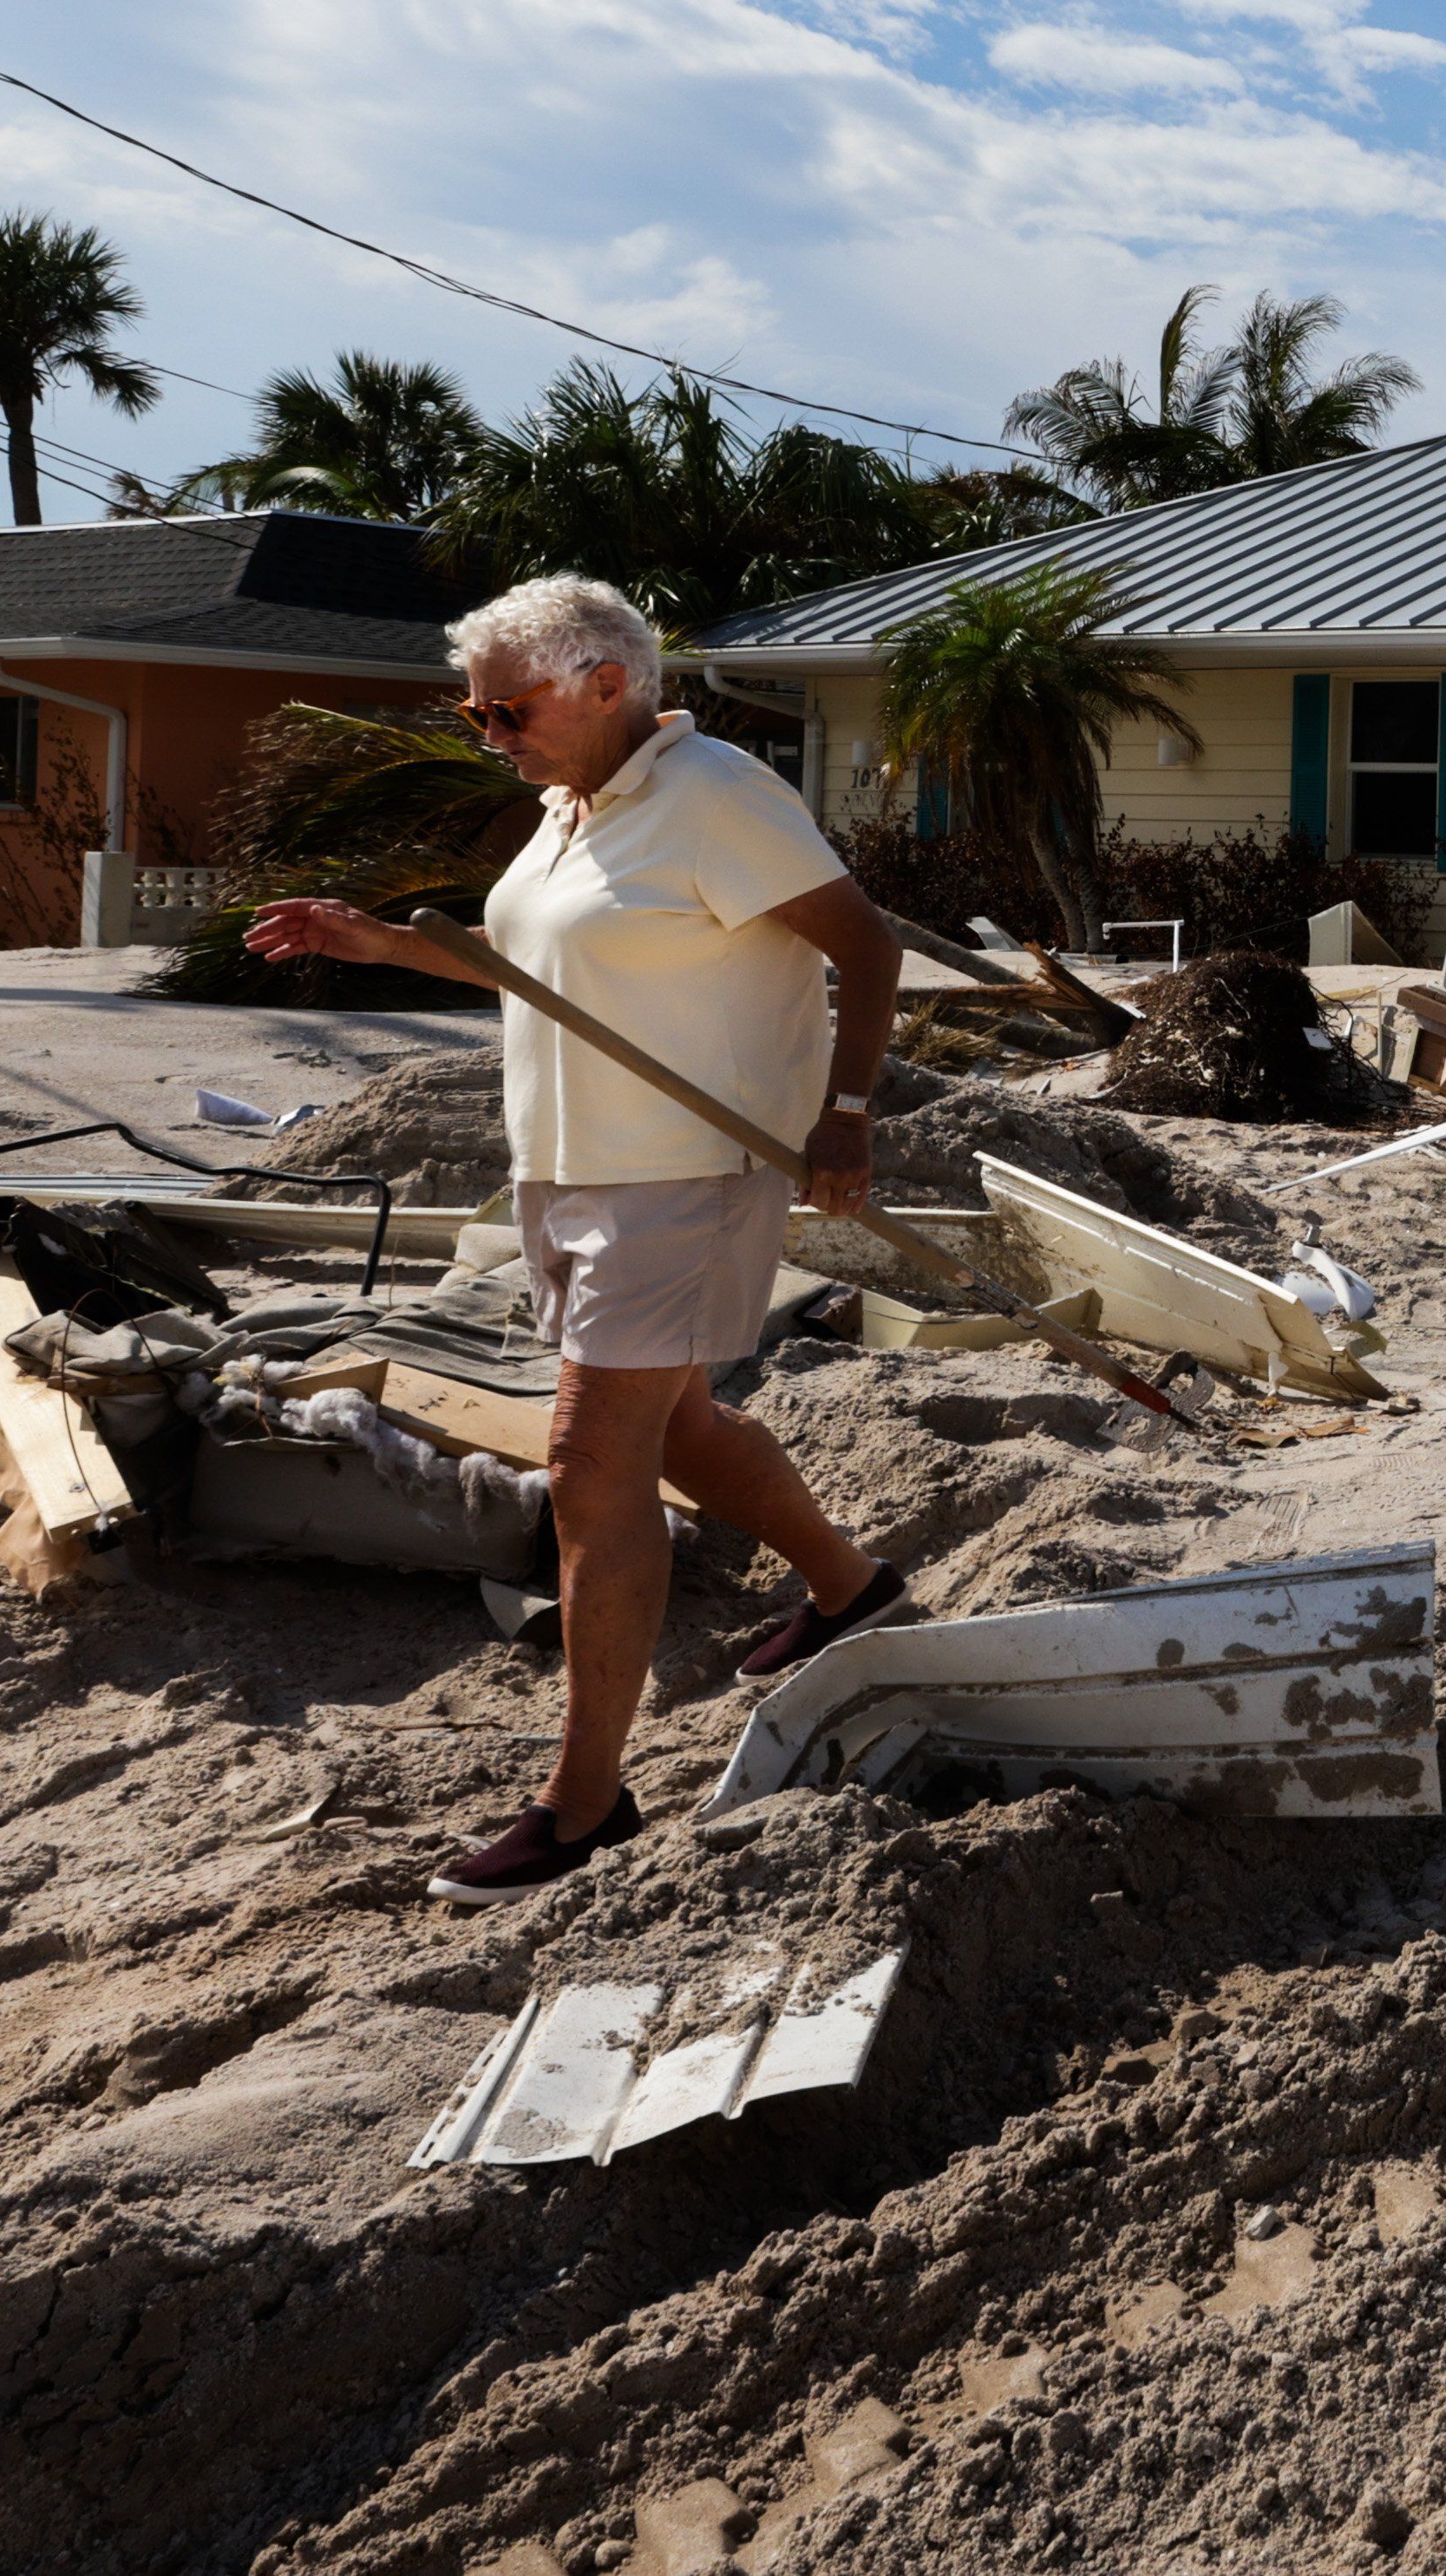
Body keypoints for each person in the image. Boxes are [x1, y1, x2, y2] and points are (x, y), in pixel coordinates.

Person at [249, 574, 913, 1904]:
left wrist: (844, 1119)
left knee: (585, 1458)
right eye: (474, 711)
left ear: (608, 683)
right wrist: (377, 943)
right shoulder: (567, 809)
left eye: (507, 708)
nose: (488, 732)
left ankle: (586, 1799)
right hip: (568, 1171)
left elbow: (869, 946)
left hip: (685, 1175)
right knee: (674, 1430)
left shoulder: (714, 795)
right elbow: (532, 968)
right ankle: (852, 1590)